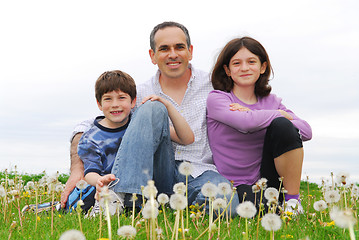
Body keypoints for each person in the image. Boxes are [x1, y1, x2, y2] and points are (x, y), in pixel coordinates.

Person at [61, 21, 239, 214]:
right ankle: (120, 197)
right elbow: (89, 125)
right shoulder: (141, 93)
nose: (172, 54)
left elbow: (250, 106)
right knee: (153, 107)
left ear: (190, 51)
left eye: (179, 47)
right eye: (164, 49)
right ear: (152, 56)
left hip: (198, 170)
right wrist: (77, 169)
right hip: (152, 173)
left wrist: (274, 112)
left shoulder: (214, 86)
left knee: (227, 204)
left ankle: (181, 207)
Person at [207, 37, 312, 213]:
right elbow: (245, 123)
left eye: (251, 62)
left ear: (262, 67)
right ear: (227, 70)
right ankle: (277, 206)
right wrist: (279, 114)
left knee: (282, 126)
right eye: (236, 63)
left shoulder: (271, 101)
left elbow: (306, 131)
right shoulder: (218, 99)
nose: (245, 68)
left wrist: (269, 116)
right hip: (235, 186)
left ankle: (293, 202)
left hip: (268, 180)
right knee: (264, 211)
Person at [67, 70, 194, 212]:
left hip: (154, 186)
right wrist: (100, 181)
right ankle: (115, 203)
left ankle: (144, 202)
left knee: (154, 107)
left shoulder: (143, 123)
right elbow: (90, 172)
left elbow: (187, 138)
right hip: (114, 190)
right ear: (99, 104)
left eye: (121, 98)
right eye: (108, 99)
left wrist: (167, 106)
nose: (115, 104)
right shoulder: (90, 138)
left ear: (133, 101)